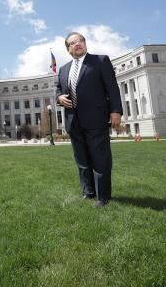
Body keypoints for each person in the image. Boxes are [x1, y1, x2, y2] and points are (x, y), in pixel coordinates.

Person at [56, 32, 123, 208]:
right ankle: (89, 192)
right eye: (73, 42)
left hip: (96, 118)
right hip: (73, 121)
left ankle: (103, 197)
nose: (77, 44)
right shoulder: (63, 70)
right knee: (82, 160)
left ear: (85, 44)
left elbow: (112, 87)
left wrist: (116, 111)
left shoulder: (100, 61)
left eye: (80, 41)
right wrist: (59, 98)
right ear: (68, 49)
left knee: (100, 158)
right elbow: (58, 90)